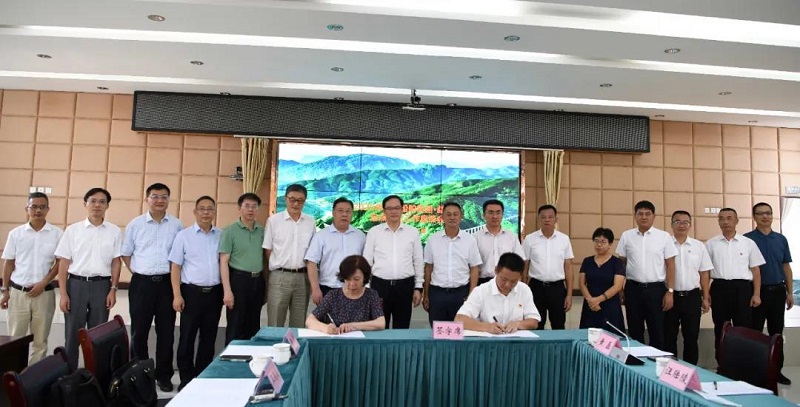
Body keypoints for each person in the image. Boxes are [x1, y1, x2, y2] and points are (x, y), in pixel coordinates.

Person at [121, 183, 183, 392]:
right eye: (155, 196)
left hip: (167, 284)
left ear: (169, 200)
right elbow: (126, 254)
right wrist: (138, 272)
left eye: (164, 196)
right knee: (139, 332)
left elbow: (180, 256)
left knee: (166, 332)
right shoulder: (135, 224)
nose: (159, 200)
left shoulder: (176, 225)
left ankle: (164, 376)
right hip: (142, 284)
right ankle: (140, 376)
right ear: (147, 199)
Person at [54, 187, 123, 370]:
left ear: (107, 206)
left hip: (102, 286)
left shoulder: (114, 231)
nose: (97, 205)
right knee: (72, 334)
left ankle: (95, 375)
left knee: (98, 334)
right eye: (93, 201)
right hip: (76, 285)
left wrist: (113, 289)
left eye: (102, 202)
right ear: (85, 204)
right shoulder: (73, 230)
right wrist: (63, 294)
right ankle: (70, 376)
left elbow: (116, 262)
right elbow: (63, 263)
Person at [0, 192, 63, 364]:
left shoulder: (57, 234)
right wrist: (5, 291)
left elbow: (60, 263)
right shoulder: (16, 234)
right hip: (18, 293)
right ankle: (13, 375)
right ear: (27, 209)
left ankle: (33, 376)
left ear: (48, 209)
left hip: (44, 294)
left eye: (42, 207)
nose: (38, 210)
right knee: (15, 339)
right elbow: (9, 263)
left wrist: (44, 282)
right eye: (34, 206)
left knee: (40, 341)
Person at [169, 196, 223, 391]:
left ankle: (202, 376)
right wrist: (177, 295)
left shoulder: (221, 235)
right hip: (191, 293)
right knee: (187, 337)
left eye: (210, 209)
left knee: (209, 337)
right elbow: (175, 267)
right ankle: (186, 378)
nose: (206, 212)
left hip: (214, 294)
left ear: (214, 212)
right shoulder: (183, 236)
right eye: (202, 209)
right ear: (195, 212)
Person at [615, 200, 677, 350]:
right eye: (640, 214)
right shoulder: (627, 236)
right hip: (632, 289)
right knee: (635, 330)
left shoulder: (664, 237)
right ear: (635, 216)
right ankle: (636, 361)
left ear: (654, 216)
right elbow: (621, 264)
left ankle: (656, 361)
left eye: (648, 214)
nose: (644, 217)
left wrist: (670, 291)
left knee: (657, 331)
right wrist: (620, 289)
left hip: (656, 290)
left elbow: (670, 265)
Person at [706, 208, 765, 364]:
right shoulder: (711, 244)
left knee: (743, 328)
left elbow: (756, 271)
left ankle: (742, 365)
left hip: (743, 289)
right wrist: (705, 294)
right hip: (719, 288)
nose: (725, 221)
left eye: (729, 218)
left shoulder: (748, 243)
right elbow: (705, 272)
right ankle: (722, 365)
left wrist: (756, 294)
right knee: (720, 328)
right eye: (721, 218)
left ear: (736, 221)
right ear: (718, 221)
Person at [745, 202, 793, 384]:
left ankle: (776, 371)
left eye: (768, 213)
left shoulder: (781, 239)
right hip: (756, 292)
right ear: (754, 217)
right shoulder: (747, 240)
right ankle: (754, 371)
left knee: (776, 333)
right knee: (754, 333)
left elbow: (786, 266)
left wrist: (790, 292)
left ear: (772, 215)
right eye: (760, 213)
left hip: (778, 292)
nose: (765, 216)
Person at [363, 195, 424, 329]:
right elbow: (367, 261)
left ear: (402, 209)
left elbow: (418, 261)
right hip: (379, 286)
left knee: (402, 328)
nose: (394, 211)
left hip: (405, 286)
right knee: (379, 327)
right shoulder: (374, 232)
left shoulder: (412, 232)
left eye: (397, 208)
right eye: (390, 208)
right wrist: (366, 287)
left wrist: (418, 287)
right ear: (384, 211)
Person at [263, 184, 316, 328]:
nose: (296, 204)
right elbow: (268, 250)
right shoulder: (274, 221)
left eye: (300, 200)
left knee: (299, 323)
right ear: (286, 199)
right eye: (292, 199)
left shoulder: (310, 221)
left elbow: (313, 252)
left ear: (305, 201)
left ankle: (295, 344)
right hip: (279, 276)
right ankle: (275, 344)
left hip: (302, 277)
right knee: (275, 322)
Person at [422, 202, 482, 326]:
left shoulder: (469, 240)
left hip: (461, 294)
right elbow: (428, 268)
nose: (452, 217)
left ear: (461, 216)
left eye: (455, 214)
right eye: (448, 214)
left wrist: (471, 294)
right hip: (437, 294)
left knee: (460, 330)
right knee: (438, 330)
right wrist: (426, 294)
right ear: (442, 217)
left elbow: (474, 268)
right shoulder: (433, 239)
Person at [664, 211, 712, 365]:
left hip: (692, 297)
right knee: (669, 336)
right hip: (670, 296)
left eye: (685, 222)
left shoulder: (698, 246)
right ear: (671, 224)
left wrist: (705, 297)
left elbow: (704, 273)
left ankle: (690, 370)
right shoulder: (664, 245)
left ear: (690, 225)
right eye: (677, 221)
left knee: (691, 337)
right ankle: (670, 369)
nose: (681, 225)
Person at [219, 193, 266, 345]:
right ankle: (231, 357)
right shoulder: (229, 231)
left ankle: (252, 357)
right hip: (238, 281)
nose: (250, 210)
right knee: (235, 324)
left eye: (254, 206)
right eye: (247, 206)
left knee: (253, 324)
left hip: (257, 281)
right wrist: (227, 291)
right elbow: (223, 262)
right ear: (239, 208)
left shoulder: (262, 231)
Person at [455, 252, 540, 333]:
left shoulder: (524, 290)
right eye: (504, 279)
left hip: (516, 341)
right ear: (496, 270)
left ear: (520, 277)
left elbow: (534, 321)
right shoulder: (481, 291)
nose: (507, 285)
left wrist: (518, 324)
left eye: (513, 281)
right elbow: (459, 319)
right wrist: (487, 327)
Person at [522, 204, 574, 330]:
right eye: (543, 217)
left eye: (550, 217)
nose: (547, 220)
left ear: (556, 219)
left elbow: (568, 268)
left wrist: (569, 294)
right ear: (538, 219)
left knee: (558, 324)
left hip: (557, 288)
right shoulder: (530, 239)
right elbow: (525, 267)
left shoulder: (564, 239)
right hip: (536, 287)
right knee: (536, 324)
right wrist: (522, 291)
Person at [306, 197, 366, 305]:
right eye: (340, 211)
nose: (344, 214)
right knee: (327, 317)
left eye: (348, 211)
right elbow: (311, 262)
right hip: (328, 289)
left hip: (355, 289)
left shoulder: (360, 236)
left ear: (352, 214)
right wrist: (315, 288)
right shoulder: (321, 236)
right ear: (333, 213)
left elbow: (366, 263)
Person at [305, 255, 385, 334]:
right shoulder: (333, 295)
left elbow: (381, 323)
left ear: (364, 277)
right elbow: (310, 320)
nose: (352, 284)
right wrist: (325, 328)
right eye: (348, 279)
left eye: (356, 279)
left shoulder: (371, 295)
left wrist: (353, 326)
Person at [578, 228, 625, 330]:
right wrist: (591, 301)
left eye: (603, 242)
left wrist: (598, 300)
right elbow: (581, 283)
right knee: (589, 335)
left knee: (611, 336)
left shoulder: (616, 262)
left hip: (610, 305)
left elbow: (617, 286)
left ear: (610, 244)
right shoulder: (587, 261)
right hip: (590, 305)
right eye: (596, 241)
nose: (599, 244)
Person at [474, 199, 525, 286]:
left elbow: (519, 261)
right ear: (483, 215)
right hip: (483, 282)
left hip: (507, 282)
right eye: (490, 212)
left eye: (498, 213)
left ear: (502, 215)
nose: (494, 216)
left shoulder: (512, 236)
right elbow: (472, 266)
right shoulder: (475, 238)